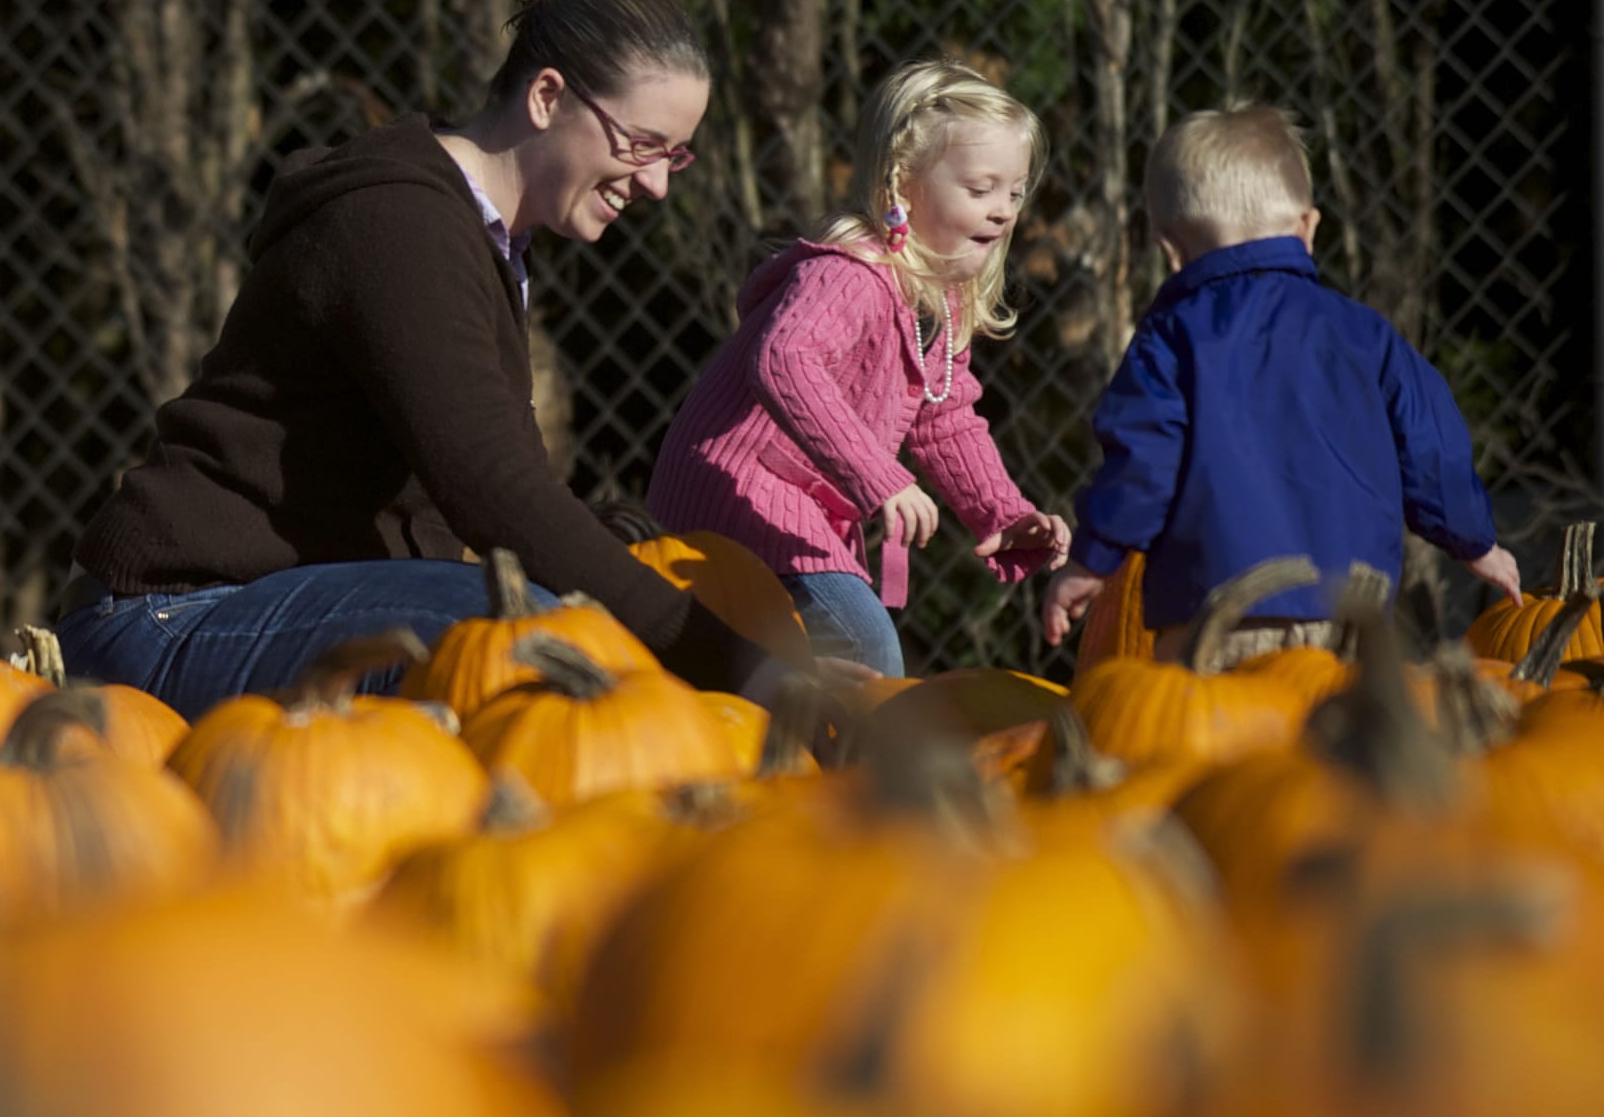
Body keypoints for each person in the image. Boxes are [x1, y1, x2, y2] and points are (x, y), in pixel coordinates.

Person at [54, 0, 790, 721]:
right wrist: (738, 667)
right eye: (641, 144)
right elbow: (493, 488)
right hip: (166, 624)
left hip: (267, 604)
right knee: (523, 634)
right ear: (547, 97)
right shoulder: (401, 225)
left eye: (674, 153)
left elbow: (489, 487)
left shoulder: (485, 239)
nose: (656, 182)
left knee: (547, 618)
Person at [1039, 103, 1523, 665]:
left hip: (1216, 614)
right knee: (1330, 754)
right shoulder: (1363, 334)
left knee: (1218, 754)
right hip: (1352, 617)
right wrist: (1475, 541)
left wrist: (1090, 561)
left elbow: (1142, 465)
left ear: (1169, 249)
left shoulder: (1169, 339)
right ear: (1309, 226)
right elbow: (1429, 444)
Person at [643, 58, 1071, 678]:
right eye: (981, 189)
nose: (1004, 210)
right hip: (737, 492)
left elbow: (945, 418)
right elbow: (784, 358)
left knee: (779, 668)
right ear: (902, 185)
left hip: (803, 509)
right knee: (862, 647)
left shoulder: (941, 299)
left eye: (1015, 191)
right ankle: (851, 771)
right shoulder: (847, 275)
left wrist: (1001, 513)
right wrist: (884, 478)